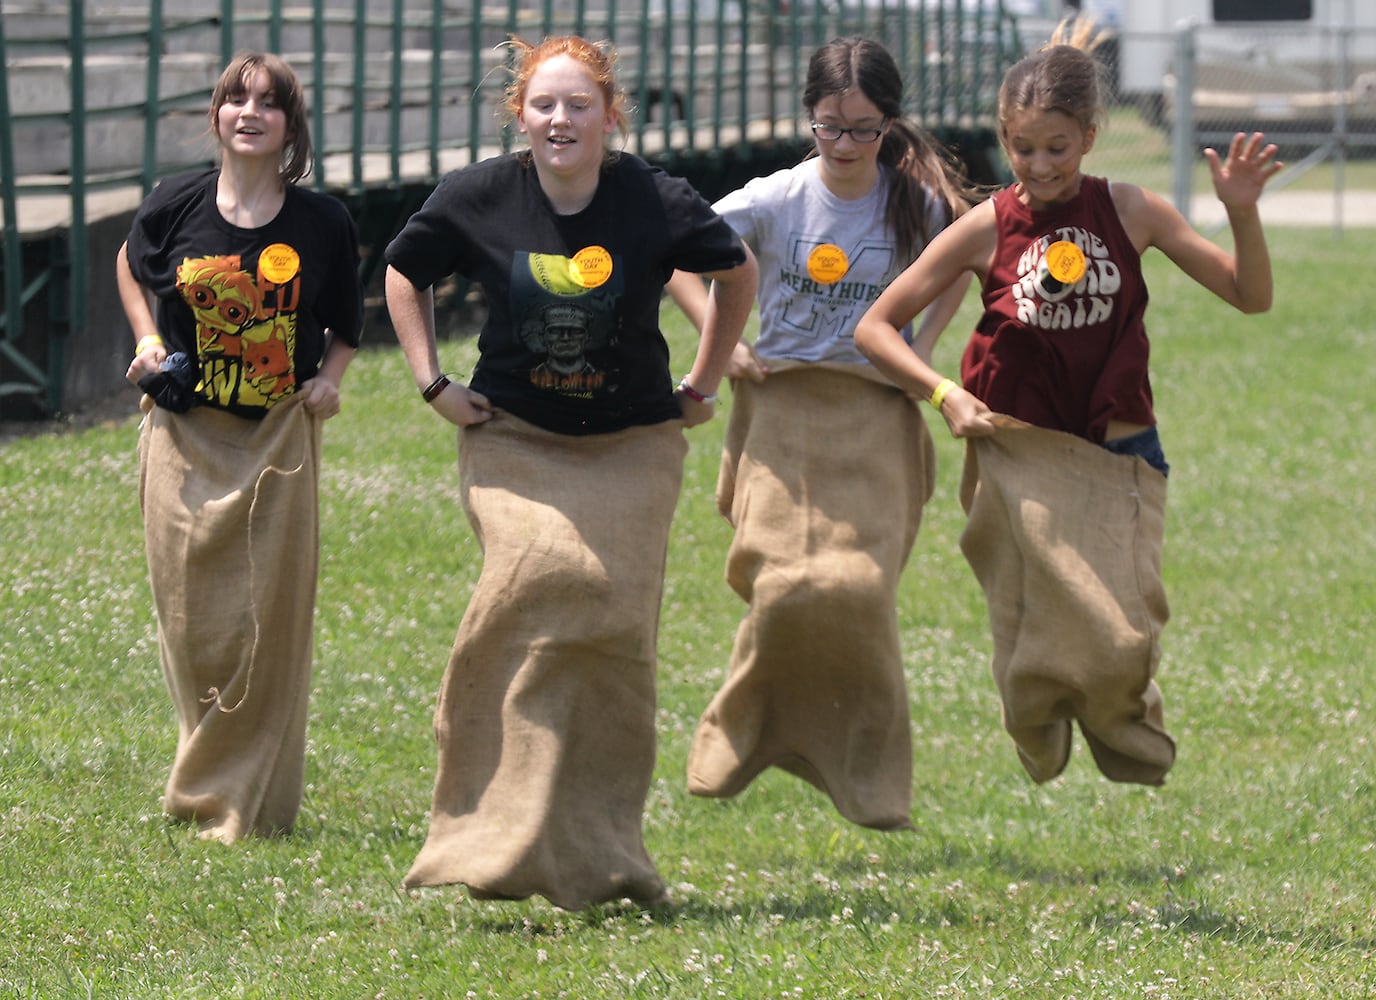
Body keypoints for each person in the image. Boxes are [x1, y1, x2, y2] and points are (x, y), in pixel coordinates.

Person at [383, 34, 757, 909]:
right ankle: (485, 827)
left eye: (578, 105)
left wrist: (704, 379)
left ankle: (597, 849)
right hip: (516, 438)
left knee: (615, 631)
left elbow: (734, 274)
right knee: (542, 575)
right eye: (544, 105)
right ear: (521, 114)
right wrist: (433, 382)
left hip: (631, 441)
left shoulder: (652, 199)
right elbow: (403, 274)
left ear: (608, 116)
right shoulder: (478, 195)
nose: (561, 119)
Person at [854, 20, 1281, 787]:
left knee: (1122, 635)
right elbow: (875, 327)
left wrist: (1241, 210)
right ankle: (1034, 714)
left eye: (1057, 147)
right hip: (1020, 457)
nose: (1039, 164)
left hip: (1121, 454)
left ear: (1089, 136)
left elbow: (1250, 297)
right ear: (1004, 138)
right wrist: (943, 393)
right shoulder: (987, 227)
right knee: (1032, 629)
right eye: (1023, 148)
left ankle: (1115, 721)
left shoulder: (1132, 209)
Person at [664, 36, 973, 830]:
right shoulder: (774, 198)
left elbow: (966, 264)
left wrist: (923, 348)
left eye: (864, 130)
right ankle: (739, 738)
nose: (843, 146)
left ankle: (870, 778)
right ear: (809, 120)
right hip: (784, 410)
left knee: (859, 592)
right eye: (829, 127)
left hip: (874, 413)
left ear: (888, 126)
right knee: (782, 585)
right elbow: (679, 255)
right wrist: (721, 341)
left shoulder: (918, 205)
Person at [117, 52, 365, 842]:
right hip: (185, 434)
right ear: (218, 116)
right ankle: (207, 767)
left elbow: (349, 321)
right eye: (234, 99)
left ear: (291, 127)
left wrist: (329, 380)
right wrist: (149, 337)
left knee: (268, 619)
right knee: (191, 623)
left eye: (268, 102)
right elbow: (132, 261)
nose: (248, 111)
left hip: (277, 438)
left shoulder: (321, 222)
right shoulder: (176, 203)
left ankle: (242, 795)